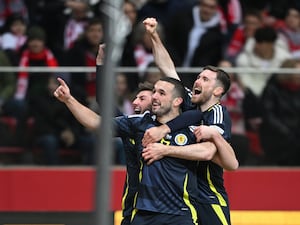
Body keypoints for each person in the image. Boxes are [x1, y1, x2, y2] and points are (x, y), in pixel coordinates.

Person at [55, 75, 212, 225]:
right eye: (155, 91)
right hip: (143, 213)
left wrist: (165, 150)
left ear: (177, 101)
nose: (155, 96)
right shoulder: (139, 123)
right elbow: (97, 123)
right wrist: (69, 100)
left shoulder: (191, 128)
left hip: (180, 213)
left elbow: (208, 151)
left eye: (161, 93)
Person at [142, 17, 238, 225]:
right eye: (198, 77)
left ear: (218, 91)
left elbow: (209, 152)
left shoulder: (217, 113)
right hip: (183, 196)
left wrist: (164, 148)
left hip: (208, 195)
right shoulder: (187, 104)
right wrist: (154, 36)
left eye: (205, 79)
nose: (197, 80)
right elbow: (167, 68)